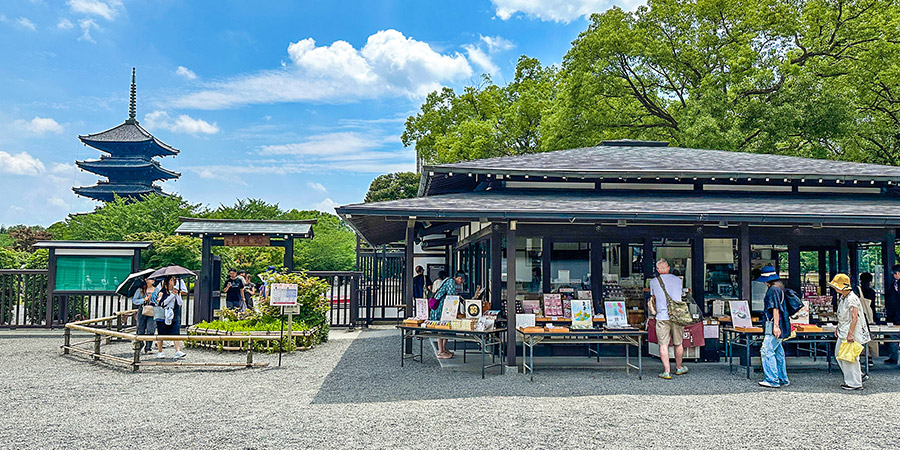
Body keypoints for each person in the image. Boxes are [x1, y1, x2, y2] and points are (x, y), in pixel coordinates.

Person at [647, 258, 688, 379]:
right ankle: (679, 368)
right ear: (669, 268)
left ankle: (667, 371)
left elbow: (653, 298)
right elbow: (680, 294)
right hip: (677, 316)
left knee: (663, 344)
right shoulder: (678, 280)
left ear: (658, 270)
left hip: (662, 316)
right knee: (678, 343)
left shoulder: (654, 282)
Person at [831, 274, 871, 390]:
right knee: (840, 355)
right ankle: (856, 376)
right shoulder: (844, 298)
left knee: (850, 357)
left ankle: (854, 382)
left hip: (850, 331)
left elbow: (855, 317)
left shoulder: (852, 298)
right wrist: (838, 328)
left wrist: (851, 333)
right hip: (844, 330)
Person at [756, 265, 790, 388]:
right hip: (783, 322)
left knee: (766, 350)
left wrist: (775, 326)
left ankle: (772, 379)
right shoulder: (780, 288)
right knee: (778, 351)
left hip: (773, 323)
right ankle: (782, 378)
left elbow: (775, 308)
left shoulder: (772, 290)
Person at [430, 271, 466, 359]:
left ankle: (444, 349)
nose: (461, 283)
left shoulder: (448, 280)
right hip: (441, 308)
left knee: (446, 327)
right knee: (441, 328)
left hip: (443, 307)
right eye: (462, 281)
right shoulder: (450, 281)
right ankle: (441, 352)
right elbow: (451, 295)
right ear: (459, 278)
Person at [155, 276, 186, 359]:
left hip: (174, 312)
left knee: (176, 331)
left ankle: (177, 350)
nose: (173, 282)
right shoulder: (162, 291)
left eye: (174, 280)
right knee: (161, 332)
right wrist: (172, 295)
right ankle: (160, 351)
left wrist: (177, 295)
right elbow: (162, 303)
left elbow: (180, 303)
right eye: (171, 280)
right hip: (163, 313)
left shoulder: (176, 291)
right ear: (167, 281)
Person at [131, 277, 156, 354]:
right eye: (149, 279)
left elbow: (160, 300)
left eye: (153, 279)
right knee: (140, 329)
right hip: (142, 309)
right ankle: (139, 344)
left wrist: (156, 301)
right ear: (146, 280)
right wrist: (143, 300)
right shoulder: (140, 290)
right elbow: (134, 300)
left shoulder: (156, 290)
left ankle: (148, 347)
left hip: (153, 310)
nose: (152, 280)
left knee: (151, 329)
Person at [859, 273, 877, 366]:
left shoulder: (857, 290)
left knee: (860, 336)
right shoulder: (871, 292)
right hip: (870, 317)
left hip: (860, 317)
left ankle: (862, 356)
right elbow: (873, 307)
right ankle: (870, 357)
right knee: (870, 337)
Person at [884, 264, 900, 364]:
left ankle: (894, 357)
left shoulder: (895, 285)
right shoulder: (893, 284)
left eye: (895, 273)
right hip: (894, 314)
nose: (894, 275)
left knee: (894, 337)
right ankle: (893, 357)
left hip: (896, 313)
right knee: (893, 337)